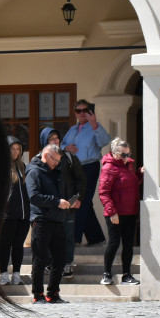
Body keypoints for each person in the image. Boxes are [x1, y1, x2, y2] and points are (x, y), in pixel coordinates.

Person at [25, 144, 73, 304]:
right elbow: (34, 196)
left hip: (58, 219)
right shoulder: (34, 171)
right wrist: (56, 202)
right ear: (46, 155)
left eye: (59, 160)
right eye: (55, 160)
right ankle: (37, 294)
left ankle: (53, 293)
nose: (57, 163)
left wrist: (65, 202)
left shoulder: (56, 172)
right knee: (40, 259)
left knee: (60, 259)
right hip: (42, 220)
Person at [60, 99, 111, 248]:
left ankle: (74, 239)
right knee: (85, 203)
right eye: (78, 111)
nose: (82, 113)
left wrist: (94, 123)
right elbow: (62, 144)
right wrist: (66, 148)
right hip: (74, 169)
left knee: (80, 202)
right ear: (75, 113)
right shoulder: (73, 129)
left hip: (89, 167)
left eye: (85, 110)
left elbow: (104, 141)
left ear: (90, 111)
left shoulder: (94, 127)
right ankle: (96, 239)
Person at [98, 138, 144, 286]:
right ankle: (107, 274)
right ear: (115, 153)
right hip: (115, 213)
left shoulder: (128, 165)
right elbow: (104, 192)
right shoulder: (108, 167)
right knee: (113, 243)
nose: (126, 157)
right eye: (123, 155)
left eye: (128, 154)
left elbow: (130, 184)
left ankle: (126, 275)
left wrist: (139, 174)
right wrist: (112, 212)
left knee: (128, 244)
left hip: (130, 212)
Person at [42, 127, 86, 278]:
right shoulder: (40, 159)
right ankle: (49, 263)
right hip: (49, 206)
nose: (55, 141)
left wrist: (78, 198)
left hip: (68, 205)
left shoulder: (68, 157)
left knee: (67, 235)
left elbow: (81, 178)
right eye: (51, 139)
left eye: (57, 138)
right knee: (48, 236)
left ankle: (67, 264)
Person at [0, 136, 30, 286]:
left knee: (18, 245)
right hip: (7, 214)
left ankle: (16, 274)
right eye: (12, 149)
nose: (15, 152)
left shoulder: (23, 166)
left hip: (23, 215)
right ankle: (3, 274)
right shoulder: (1, 167)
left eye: (18, 149)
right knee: (5, 245)